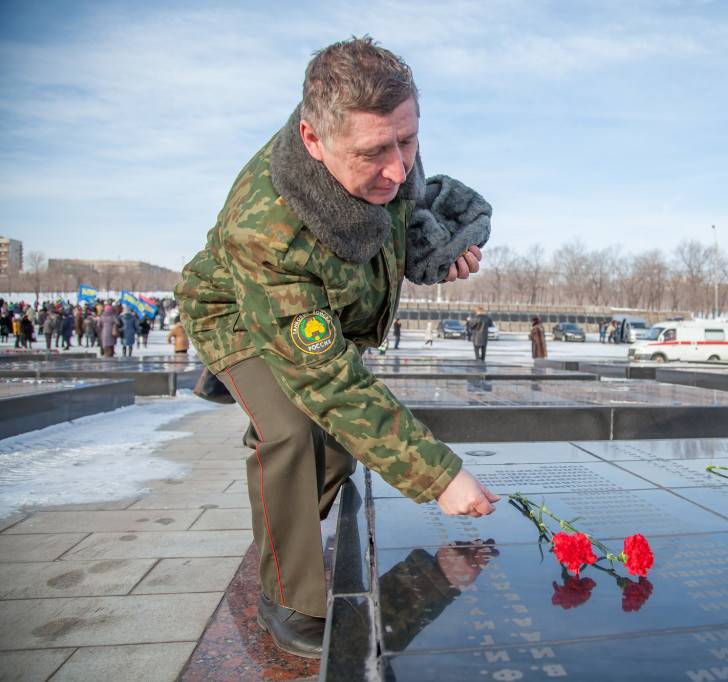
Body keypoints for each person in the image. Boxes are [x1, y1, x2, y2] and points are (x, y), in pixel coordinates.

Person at [173, 38, 494, 658]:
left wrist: (433, 256)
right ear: (314, 141)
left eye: (409, 141)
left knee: (336, 454)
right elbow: (330, 383)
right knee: (294, 430)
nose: (399, 170)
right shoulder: (269, 230)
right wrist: (439, 475)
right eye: (376, 152)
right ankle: (287, 597)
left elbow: (399, 220)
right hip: (236, 311)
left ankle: (286, 519)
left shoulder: (380, 150)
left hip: (326, 311)